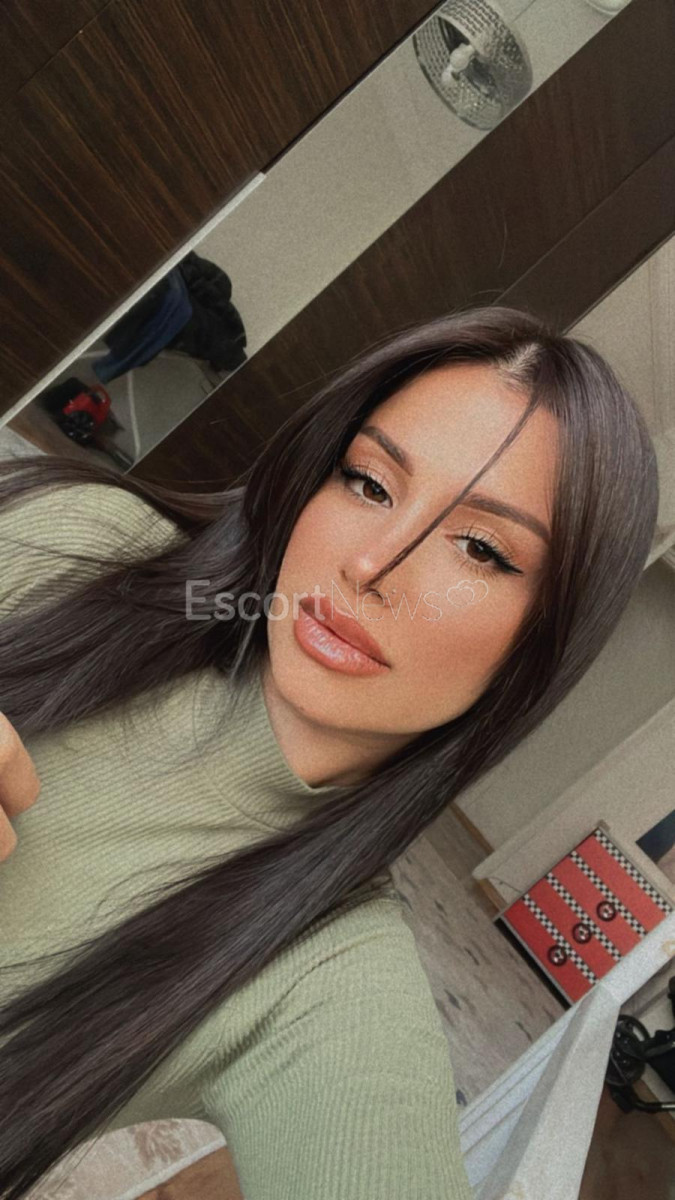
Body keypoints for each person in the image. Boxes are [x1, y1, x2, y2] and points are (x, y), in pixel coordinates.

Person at [0, 305, 658, 1199]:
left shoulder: (329, 973)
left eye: (478, 548)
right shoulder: (78, 543)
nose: (372, 565)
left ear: (542, 642)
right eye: (369, 483)